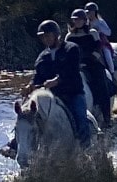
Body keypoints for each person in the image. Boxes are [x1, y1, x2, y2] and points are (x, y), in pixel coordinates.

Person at [22, 19, 92, 148]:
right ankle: (16, 144)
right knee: (25, 115)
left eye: (48, 36)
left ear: (56, 35)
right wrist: (30, 85)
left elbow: (71, 71)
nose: (45, 39)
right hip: (50, 96)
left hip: (72, 93)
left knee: (81, 118)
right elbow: (38, 75)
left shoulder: (71, 49)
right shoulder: (42, 56)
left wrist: (57, 81)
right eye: (43, 37)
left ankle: (86, 149)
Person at [66, 8, 112, 128]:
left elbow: (98, 48)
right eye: (75, 20)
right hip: (76, 66)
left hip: (92, 63)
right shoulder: (69, 36)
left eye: (79, 20)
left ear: (84, 20)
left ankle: (107, 117)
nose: (77, 22)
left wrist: (90, 59)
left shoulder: (92, 33)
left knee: (101, 85)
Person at [84, 2, 114, 75]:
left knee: (107, 54)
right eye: (88, 13)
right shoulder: (84, 23)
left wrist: (100, 29)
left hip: (101, 43)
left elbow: (109, 32)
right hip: (89, 43)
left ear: (95, 12)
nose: (89, 14)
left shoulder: (100, 22)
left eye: (91, 12)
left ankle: (112, 71)